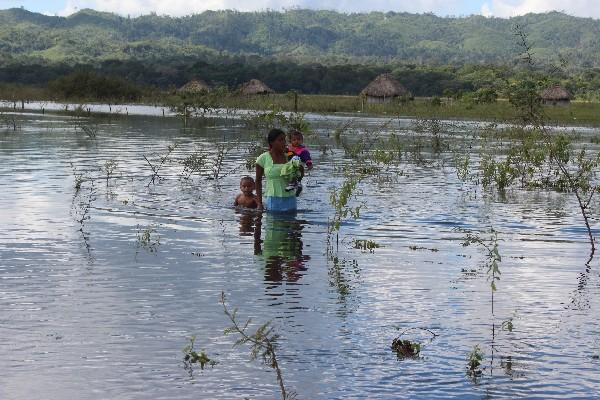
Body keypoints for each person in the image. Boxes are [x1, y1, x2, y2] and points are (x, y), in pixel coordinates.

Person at [255, 128, 301, 212]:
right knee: (273, 223)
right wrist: (259, 203)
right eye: (280, 140)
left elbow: (300, 175)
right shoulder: (263, 158)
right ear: (272, 142)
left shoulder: (290, 156)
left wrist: (297, 162)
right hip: (273, 199)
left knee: (291, 223)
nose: (284, 142)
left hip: (290, 198)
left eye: (284, 139)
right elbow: (258, 181)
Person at [286, 129, 313, 195]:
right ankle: (297, 187)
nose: (296, 141)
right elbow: (287, 156)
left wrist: (309, 165)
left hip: (299, 166)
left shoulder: (303, 150)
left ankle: (297, 186)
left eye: (298, 139)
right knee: (293, 178)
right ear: (291, 141)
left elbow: (307, 158)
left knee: (297, 177)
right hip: (290, 166)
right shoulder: (289, 149)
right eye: (294, 140)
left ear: (302, 140)